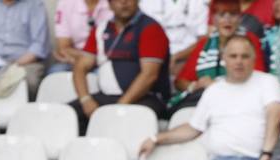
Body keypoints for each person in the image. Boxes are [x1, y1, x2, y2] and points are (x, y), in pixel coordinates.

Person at [139, 33, 280, 160]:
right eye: (233, 56)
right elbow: (193, 128)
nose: (239, 61)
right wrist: (155, 138)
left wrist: (266, 154)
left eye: (244, 56)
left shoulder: (268, 82)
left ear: (253, 59)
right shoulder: (213, 91)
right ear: (224, 59)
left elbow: (275, 115)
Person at [71, 0, 172, 132]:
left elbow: (149, 75)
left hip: (146, 98)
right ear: (109, 3)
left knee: (124, 121)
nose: (124, 2)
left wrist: (119, 107)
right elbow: (80, 68)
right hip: (107, 97)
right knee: (68, 115)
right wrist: (85, 100)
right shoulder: (101, 29)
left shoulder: (150, 28)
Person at [171, 0, 264, 111]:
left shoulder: (250, 40)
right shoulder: (205, 43)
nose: (227, 20)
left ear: (240, 18)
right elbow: (180, 81)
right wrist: (195, 85)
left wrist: (217, 86)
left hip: (239, 102)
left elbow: (259, 78)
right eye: (221, 15)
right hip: (201, 102)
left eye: (233, 15)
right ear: (214, 19)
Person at [140, 0, 210, 75]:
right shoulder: (145, 3)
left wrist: (177, 57)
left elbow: (204, 38)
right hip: (156, 57)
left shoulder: (199, 2)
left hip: (189, 57)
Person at [49, 0, 112, 75]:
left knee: (104, 75)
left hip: (105, 59)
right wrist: (85, 61)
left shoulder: (114, 3)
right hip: (75, 60)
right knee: (56, 72)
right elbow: (63, 48)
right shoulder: (66, 3)